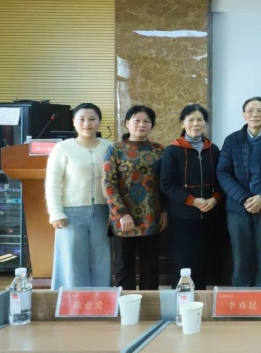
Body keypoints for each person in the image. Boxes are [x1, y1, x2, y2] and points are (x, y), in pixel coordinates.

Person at [216, 97, 261, 287]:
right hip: (238, 209)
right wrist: (244, 199)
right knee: (240, 257)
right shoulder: (232, 140)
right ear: (244, 115)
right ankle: (242, 297)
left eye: (260, 111)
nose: (255, 114)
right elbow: (222, 172)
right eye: (250, 111)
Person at [44, 103, 113, 289]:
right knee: (72, 261)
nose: (87, 124)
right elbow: (52, 183)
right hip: (71, 213)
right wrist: (55, 213)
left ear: (99, 122)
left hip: (103, 211)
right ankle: (72, 301)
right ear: (73, 122)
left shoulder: (110, 147)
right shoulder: (63, 148)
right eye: (81, 119)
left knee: (101, 260)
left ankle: (100, 300)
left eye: (92, 119)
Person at [102, 105, 166, 290]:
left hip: (151, 217)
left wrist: (165, 212)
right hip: (123, 219)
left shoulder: (160, 150)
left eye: (146, 121)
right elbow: (108, 184)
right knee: (124, 268)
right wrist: (121, 213)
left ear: (152, 125)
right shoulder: (115, 149)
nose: (141, 124)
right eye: (137, 120)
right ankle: (126, 305)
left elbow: (165, 184)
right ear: (127, 123)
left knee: (151, 268)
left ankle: (150, 305)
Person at [160, 104, 223, 288]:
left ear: (205, 123)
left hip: (209, 215)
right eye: (191, 120)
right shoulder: (172, 150)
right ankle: (182, 301)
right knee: (183, 262)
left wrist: (215, 198)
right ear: (183, 123)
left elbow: (222, 178)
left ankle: (200, 301)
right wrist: (192, 201)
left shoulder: (213, 150)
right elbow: (166, 184)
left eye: (200, 120)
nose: (196, 124)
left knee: (202, 261)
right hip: (182, 216)